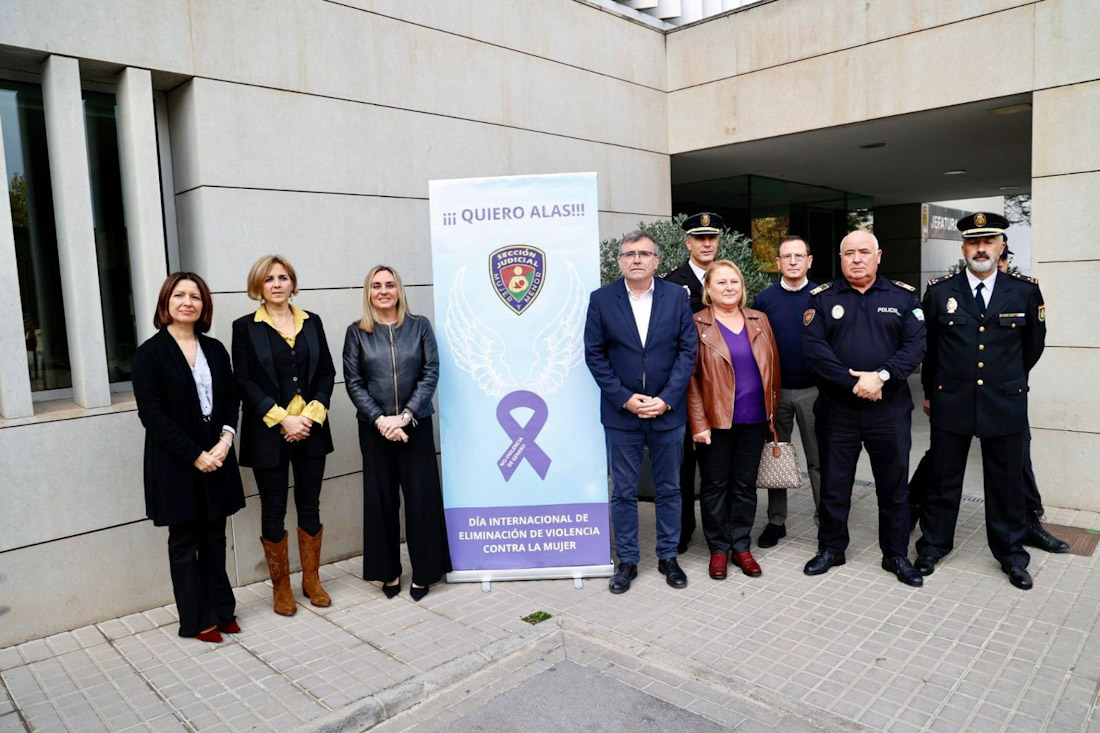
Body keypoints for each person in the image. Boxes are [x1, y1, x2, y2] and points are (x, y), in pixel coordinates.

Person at [915, 213, 1048, 589]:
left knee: (1006, 482)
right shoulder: (941, 292)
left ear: (1000, 246)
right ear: (963, 248)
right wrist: (929, 393)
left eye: (988, 242)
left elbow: (1032, 347)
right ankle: (933, 546)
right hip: (952, 401)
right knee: (943, 478)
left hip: (1003, 402)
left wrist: (1006, 381)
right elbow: (930, 350)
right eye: (974, 242)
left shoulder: (1023, 291)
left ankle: (1011, 554)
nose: (981, 249)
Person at [801, 230, 925, 587]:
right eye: (849, 253)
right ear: (840, 258)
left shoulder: (903, 297)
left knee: (893, 486)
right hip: (838, 410)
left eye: (864, 252)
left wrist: (881, 377)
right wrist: (853, 381)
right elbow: (814, 349)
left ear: (878, 256)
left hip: (889, 410)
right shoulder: (822, 299)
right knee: (835, 485)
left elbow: (916, 345)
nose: (856, 259)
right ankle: (831, 548)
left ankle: (896, 554)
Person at [131, 273, 246, 643]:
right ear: (166, 303)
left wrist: (226, 440)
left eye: (195, 296)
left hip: (218, 451)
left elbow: (231, 397)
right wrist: (195, 454)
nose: (187, 302)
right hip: (176, 460)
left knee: (215, 535)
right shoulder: (149, 354)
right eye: (179, 295)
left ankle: (221, 609)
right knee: (185, 541)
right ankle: (196, 620)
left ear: (203, 305)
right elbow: (153, 414)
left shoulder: (214, 348)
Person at [584, 230, 697, 594]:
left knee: (669, 488)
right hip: (622, 415)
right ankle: (628, 561)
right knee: (623, 492)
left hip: (667, 412)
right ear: (619, 261)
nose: (636, 259)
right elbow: (595, 354)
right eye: (629, 253)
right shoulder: (601, 300)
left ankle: (668, 556)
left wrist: (666, 398)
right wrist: (624, 397)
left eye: (644, 253)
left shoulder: (676, 297)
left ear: (656, 261)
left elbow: (687, 351)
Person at [233, 255, 336, 615]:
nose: (277, 284)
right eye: (269, 279)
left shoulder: (313, 322)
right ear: (258, 286)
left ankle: (311, 580)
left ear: (293, 282)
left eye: (283, 277)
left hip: (310, 428)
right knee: (273, 509)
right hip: (268, 432)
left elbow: (326, 372)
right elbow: (243, 380)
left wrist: (309, 416)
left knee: (310, 504)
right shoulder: (245, 327)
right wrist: (283, 420)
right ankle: (281, 589)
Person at [343, 265, 451, 601]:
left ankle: (426, 572)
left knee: (421, 499)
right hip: (375, 429)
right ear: (368, 292)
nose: (384, 291)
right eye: (376, 286)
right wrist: (381, 420)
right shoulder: (356, 332)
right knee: (381, 501)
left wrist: (405, 416)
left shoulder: (419, 327)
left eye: (390, 285)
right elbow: (354, 381)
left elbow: (430, 373)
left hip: (414, 424)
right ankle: (387, 571)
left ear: (399, 289)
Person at [688, 260, 780, 580]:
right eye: (722, 283)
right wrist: (698, 423)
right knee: (715, 486)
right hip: (715, 421)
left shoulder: (759, 320)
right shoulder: (697, 324)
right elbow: (692, 380)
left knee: (744, 486)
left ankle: (740, 545)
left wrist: (772, 415)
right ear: (708, 290)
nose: (729, 288)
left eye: (735, 282)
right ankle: (717, 548)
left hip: (754, 419)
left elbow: (773, 369)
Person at [751, 235, 822, 546]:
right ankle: (776, 521)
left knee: (820, 459)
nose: (792, 261)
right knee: (776, 455)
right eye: (786, 257)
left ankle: (826, 519)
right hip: (776, 393)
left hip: (814, 391)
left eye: (799, 256)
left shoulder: (823, 297)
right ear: (777, 263)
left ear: (809, 260)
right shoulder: (764, 300)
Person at [662, 212, 722, 553]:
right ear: (688, 243)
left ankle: (720, 530)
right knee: (683, 466)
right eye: (700, 238)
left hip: (720, 388)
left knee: (718, 466)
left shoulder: (727, 277)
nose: (707, 243)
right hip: (685, 387)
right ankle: (683, 531)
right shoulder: (672, 284)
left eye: (712, 237)